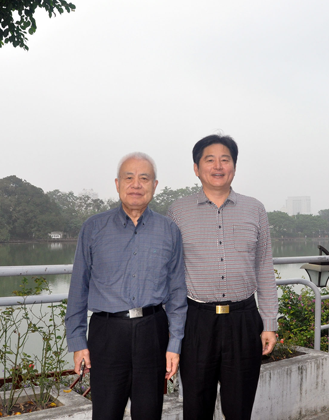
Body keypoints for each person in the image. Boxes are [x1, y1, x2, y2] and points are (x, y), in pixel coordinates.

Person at [65, 152, 187, 420]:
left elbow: (177, 293)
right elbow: (78, 288)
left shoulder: (169, 230)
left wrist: (174, 343)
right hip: (107, 333)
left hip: (153, 331)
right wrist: (77, 341)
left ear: (155, 185)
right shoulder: (94, 228)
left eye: (144, 178)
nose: (136, 185)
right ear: (117, 183)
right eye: (129, 178)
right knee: (106, 412)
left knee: (149, 412)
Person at [167, 134, 278, 420]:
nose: (218, 166)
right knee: (196, 407)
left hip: (243, 320)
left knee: (239, 409)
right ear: (196, 168)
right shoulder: (178, 211)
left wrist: (269, 323)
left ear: (234, 167)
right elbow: (170, 274)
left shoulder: (255, 209)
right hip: (196, 322)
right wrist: (172, 331)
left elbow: (264, 268)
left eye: (225, 160)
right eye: (210, 160)